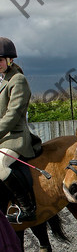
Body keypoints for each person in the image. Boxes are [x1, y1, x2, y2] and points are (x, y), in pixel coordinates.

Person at [0, 37, 40, 223]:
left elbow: (13, 114)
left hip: (14, 137)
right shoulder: (1, 80)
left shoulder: (18, 80)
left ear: (10, 60)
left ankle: (27, 208)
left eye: (0, 60)